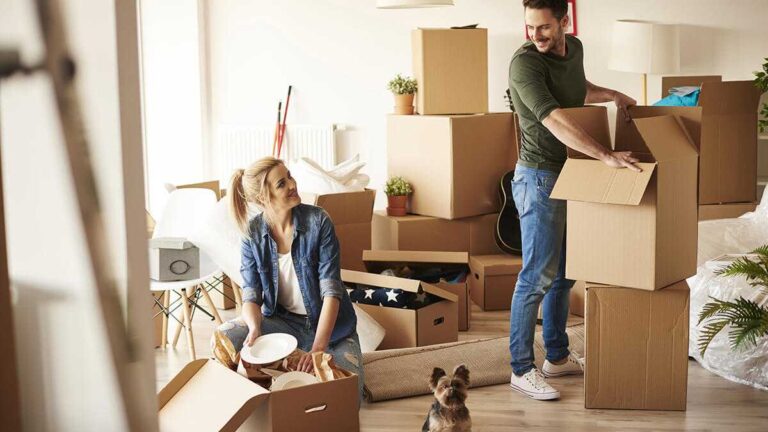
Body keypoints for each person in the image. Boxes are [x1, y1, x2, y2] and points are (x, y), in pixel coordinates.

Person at [506, 0, 641, 401]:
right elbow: (554, 117)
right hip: (539, 178)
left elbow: (576, 90)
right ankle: (521, 368)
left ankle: (557, 357)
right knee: (535, 278)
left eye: (544, 27)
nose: (536, 36)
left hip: (570, 172)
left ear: (565, 22)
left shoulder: (575, 48)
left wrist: (612, 94)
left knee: (564, 274)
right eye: (530, 27)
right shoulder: (524, 64)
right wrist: (606, 155)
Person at [215, 156, 364, 400]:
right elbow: (251, 294)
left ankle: (291, 367)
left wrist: (317, 350)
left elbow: (332, 293)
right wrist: (254, 330)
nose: (292, 185)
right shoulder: (252, 234)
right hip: (283, 324)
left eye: (290, 177)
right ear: (263, 197)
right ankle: (270, 382)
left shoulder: (319, 222)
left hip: (333, 330)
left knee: (346, 397)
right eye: (281, 184)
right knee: (224, 339)